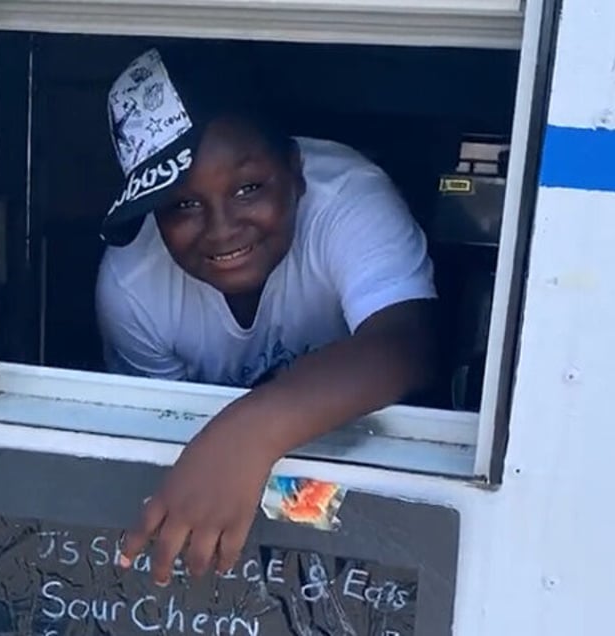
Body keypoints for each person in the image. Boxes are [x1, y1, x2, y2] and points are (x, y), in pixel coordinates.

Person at [95, 47, 440, 584]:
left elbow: (406, 344)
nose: (222, 228)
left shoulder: (347, 198)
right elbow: (160, 437)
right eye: (183, 205)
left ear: (296, 172)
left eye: (248, 188)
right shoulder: (130, 284)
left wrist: (252, 431)